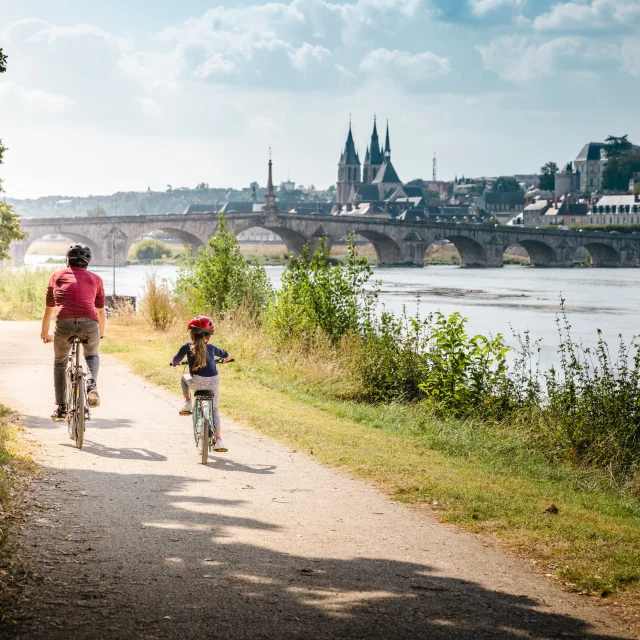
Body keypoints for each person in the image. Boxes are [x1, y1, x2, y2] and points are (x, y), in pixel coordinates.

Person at [40, 243, 105, 422]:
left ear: (67, 260)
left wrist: (45, 333)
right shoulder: (96, 279)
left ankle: (61, 408)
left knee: (60, 363)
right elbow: (100, 311)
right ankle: (91, 385)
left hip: (64, 325)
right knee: (92, 356)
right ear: (87, 262)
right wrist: (101, 333)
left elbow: (49, 309)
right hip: (90, 324)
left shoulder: (56, 276)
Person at [170, 316, 232, 453]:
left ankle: (187, 402)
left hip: (196, 383)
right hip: (213, 383)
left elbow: (175, 360)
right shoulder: (212, 348)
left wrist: (174, 363)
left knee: (183, 378)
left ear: (192, 334)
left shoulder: (187, 347)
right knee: (215, 410)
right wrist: (226, 359)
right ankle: (219, 440)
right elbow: (226, 354)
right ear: (208, 337)